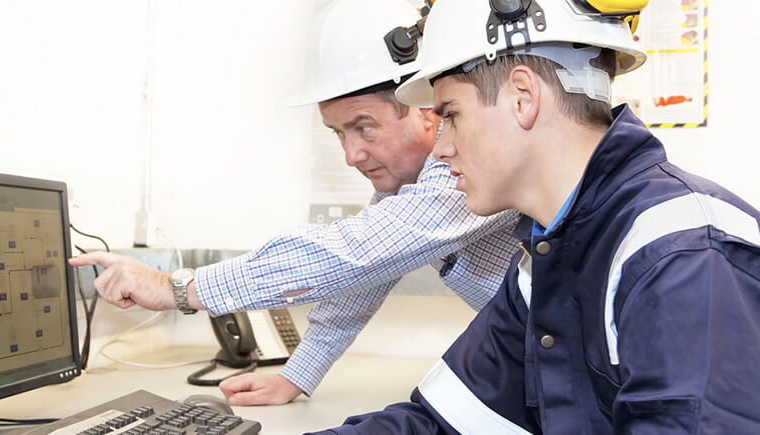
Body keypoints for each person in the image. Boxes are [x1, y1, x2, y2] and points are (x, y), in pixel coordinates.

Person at [312, 0, 760, 433]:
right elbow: (441, 422)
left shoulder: (684, 257)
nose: (442, 146)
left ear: (522, 97)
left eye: (450, 115)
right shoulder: (545, 258)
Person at [69, 0, 521, 407]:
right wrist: (296, 376)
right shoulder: (408, 185)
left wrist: (175, 288)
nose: (351, 155)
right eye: (338, 134)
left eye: (364, 127)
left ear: (424, 107)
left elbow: (357, 252)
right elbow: (364, 279)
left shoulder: (467, 160)